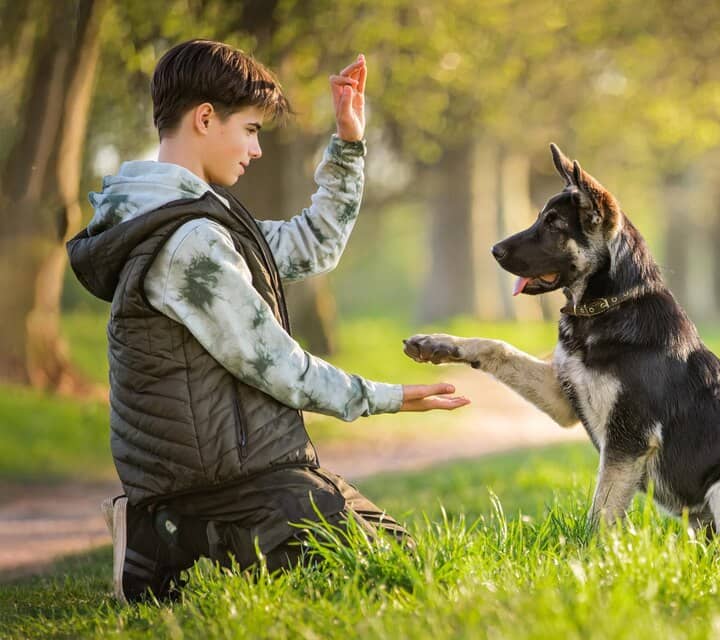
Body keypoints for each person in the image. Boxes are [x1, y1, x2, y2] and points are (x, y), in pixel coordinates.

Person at [67, 39, 470, 604]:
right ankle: (164, 533)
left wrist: (348, 144)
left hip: (236, 468)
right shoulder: (188, 243)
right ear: (205, 118)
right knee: (391, 570)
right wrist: (388, 396)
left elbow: (311, 247)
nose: (256, 150)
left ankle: (164, 537)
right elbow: (276, 364)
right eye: (252, 129)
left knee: (395, 558)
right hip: (225, 481)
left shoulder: (199, 219)